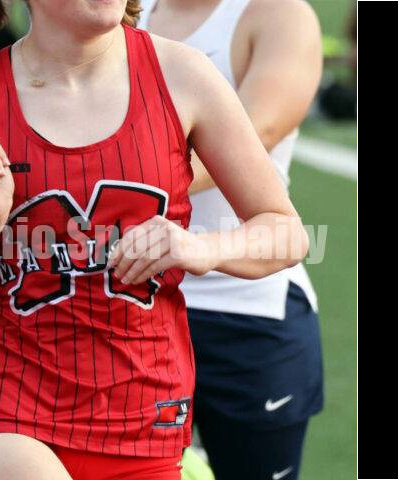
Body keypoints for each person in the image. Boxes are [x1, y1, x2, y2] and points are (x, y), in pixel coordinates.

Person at [0, 0, 310, 479]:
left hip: (145, 416)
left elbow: (284, 231)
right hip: (2, 407)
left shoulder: (183, 75)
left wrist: (203, 248)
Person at [138, 0, 324, 479]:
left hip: (246, 308)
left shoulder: (278, 14)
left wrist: (121, 184)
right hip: (133, 303)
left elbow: (256, 129)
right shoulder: (116, 11)